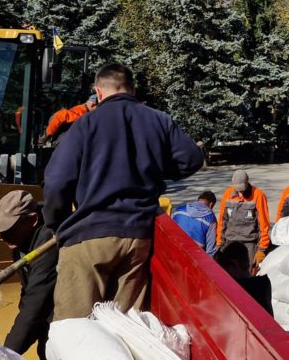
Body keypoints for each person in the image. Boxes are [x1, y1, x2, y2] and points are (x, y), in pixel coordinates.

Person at [43, 63, 203, 320]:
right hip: (138, 236)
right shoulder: (158, 119)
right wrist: (157, 166)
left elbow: (56, 181)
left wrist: (57, 223)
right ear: (133, 89)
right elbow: (191, 159)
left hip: (89, 236)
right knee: (126, 330)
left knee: (74, 332)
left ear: (98, 91)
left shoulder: (85, 125)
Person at [0, 190, 57, 360]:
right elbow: (29, 290)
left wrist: (8, 353)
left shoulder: (48, 244)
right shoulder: (21, 240)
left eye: (9, 228)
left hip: (61, 322)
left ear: (32, 220)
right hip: (43, 320)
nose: (2, 236)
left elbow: (36, 304)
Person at [216, 169, 271, 265]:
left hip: (249, 244)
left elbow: (264, 225)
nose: (240, 192)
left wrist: (262, 249)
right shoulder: (227, 195)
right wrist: (219, 244)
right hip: (230, 242)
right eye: (237, 189)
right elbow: (222, 221)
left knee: (247, 275)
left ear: (247, 183)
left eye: (242, 188)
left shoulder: (258, 195)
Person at [214, 241, 273, 315]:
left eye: (227, 269)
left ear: (235, 265)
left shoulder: (241, 288)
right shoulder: (263, 283)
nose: (226, 276)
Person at [172, 191, 218, 256]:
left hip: (175, 249)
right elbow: (210, 249)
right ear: (211, 205)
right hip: (196, 256)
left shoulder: (179, 210)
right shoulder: (211, 218)